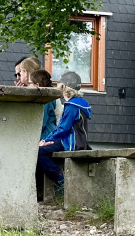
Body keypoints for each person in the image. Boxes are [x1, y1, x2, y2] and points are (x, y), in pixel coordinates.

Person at [36, 70, 91, 200]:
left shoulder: (72, 105)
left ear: (64, 87)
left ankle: (60, 178)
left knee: (39, 152)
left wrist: (46, 140)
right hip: (77, 141)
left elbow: (63, 128)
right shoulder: (80, 102)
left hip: (71, 142)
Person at [30, 69, 62, 140]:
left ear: (37, 85)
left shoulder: (45, 100)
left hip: (46, 137)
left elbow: (41, 122)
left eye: (30, 83)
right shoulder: (50, 97)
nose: (28, 86)